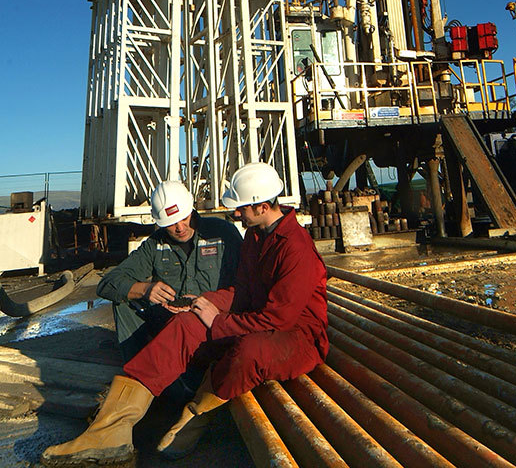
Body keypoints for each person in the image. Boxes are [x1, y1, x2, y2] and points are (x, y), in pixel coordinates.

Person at [41, 163, 328, 466]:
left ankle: (192, 418)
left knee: (249, 351)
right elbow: (242, 294)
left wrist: (218, 321)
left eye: (241, 208)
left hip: (297, 337)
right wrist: (203, 303)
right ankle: (109, 432)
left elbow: (278, 320)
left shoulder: (296, 248)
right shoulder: (256, 239)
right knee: (185, 326)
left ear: (262, 205)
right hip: (258, 320)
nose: (235, 215)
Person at [96, 180, 243, 363]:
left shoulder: (222, 233)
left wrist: (213, 304)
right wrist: (146, 289)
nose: (180, 228)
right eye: (172, 223)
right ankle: (140, 370)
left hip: (212, 318)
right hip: (171, 325)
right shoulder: (155, 245)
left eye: (183, 218)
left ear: (191, 209)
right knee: (123, 302)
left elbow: (247, 281)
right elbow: (107, 284)